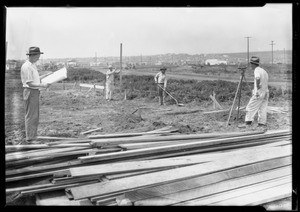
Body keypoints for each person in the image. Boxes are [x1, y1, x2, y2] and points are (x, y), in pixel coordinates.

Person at [20, 47, 52, 144]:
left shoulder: (32, 65)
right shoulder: (27, 67)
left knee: (34, 115)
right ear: (32, 55)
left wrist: (45, 76)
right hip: (30, 91)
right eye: (38, 56)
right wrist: (43, 85)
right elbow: (29, 83)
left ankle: (32, 136)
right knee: (31, 115)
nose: (39, 58)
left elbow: (34, 80)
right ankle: (30, 138)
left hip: (33, 92)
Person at [240, 56, 269, 128]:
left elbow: (257, 78)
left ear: (253, 64)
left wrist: (258, 87)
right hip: (266, 92)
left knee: (250, 107)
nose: (250, 66)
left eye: (251, 64)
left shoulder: (256, 70)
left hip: (259, 92)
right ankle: (262, 124)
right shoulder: (264, 71)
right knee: (262, 108)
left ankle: (248, 123)